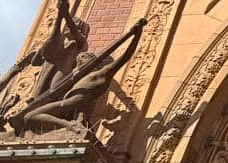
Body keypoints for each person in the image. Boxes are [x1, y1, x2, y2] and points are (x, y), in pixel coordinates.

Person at [8, 19, 146, 134]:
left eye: (83, 59)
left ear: (93, 63)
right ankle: (71, 124)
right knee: (30, 116)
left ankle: (71, 126)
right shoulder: (75, 78)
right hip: (66, 105)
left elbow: (124, 57)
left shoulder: (101, 74)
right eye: (78, 60)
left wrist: (135, 34)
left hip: (70, 103)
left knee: (31, 116)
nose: (79, 62)